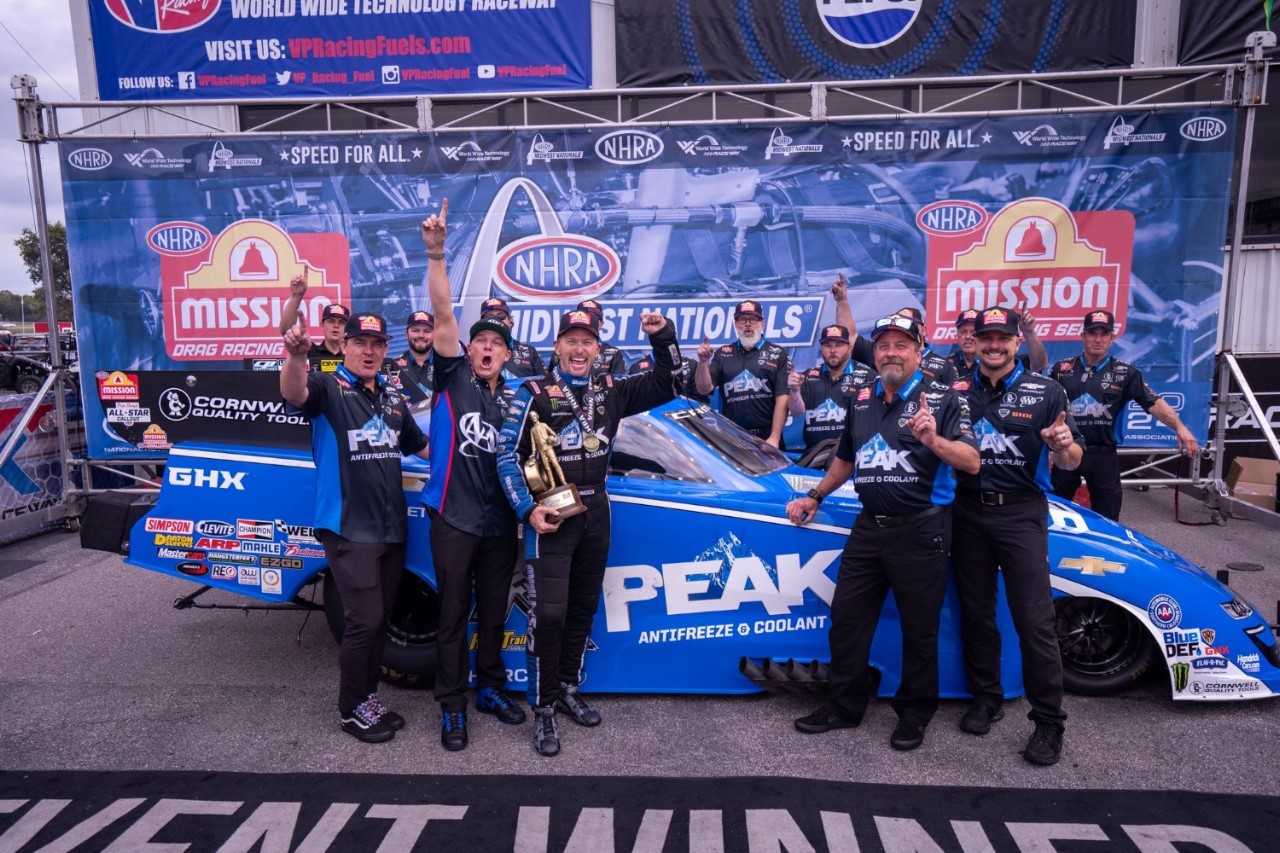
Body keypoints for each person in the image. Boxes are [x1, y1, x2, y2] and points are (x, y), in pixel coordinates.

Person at [787, 314, 979, 751]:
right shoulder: (861, 398)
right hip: (868, 528)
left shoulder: (945, 399)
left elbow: (970, 461)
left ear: (918, 350)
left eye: (901, 345)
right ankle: (843, 706)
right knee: (848, 621)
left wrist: (933, 441)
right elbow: (846, 457)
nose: (891, 352)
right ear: (874, 353)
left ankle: (913, 715)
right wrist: (815, 495)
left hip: (922, 531)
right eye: (883, 346)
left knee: (919, 629)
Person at [497, 307, 680, 757]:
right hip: (553, 514)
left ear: (599, 349)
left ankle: (565, 688)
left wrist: (663, 338)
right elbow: (504, 456)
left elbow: (666, 381)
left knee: (581, 609)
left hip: (597, 508)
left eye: (588, 341)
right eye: (571, 341)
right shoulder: (532, 391)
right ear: (557, 346)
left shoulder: (611, 388)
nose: (579, 349)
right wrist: (526, 509)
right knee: (550, 615)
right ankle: (542, 710)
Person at [280, 303, 429, 744]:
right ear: (343, 345)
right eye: (360, 342)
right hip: (348, 527)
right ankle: (351, 710)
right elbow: (293, 392)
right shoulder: (327, 386)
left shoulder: (391, 396)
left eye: (377, 344)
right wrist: (295, 357)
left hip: (390, 527)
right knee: (363, 621)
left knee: (379, 619)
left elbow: (422, 450)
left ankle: (368, 698)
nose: (369, 351)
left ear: (386, 350)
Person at [950, 306, 1083, 767]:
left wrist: (1062, 445)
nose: (993, 344)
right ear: (973, 340)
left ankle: (1048, 721)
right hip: (965, 513)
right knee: (977, 614)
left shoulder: (1046, 391)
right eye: (984, 336)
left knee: (1034, 621)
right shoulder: (953, 390)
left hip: (1021, 514)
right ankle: (986, 698)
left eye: (1002, 337)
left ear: (1016, 342)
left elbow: (1071, 460)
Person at [419, 202, 526, 751]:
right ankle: (452, 706)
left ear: (507, 355)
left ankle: (490, 688)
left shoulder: (514, 397)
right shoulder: (452, 372)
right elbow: (442, 314)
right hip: (454, 518)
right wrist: (438, 254)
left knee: (493, 612)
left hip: (497, 523)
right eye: (480, 340)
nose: (486, 347)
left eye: (496, 343)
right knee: (454, 613)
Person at [1048, 310, 1200, 521]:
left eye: (1104, 334)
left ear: (1113, 337)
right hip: (1066, 451)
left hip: (1103, 454)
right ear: (1083, 336)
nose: (1098, 339)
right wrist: (1047, 449)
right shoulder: (1061, 369)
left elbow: (1153, 402)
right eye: (1092, 333)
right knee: (1054, 512)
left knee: (1108, 516)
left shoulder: (1125, 372)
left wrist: (1180, 428)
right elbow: (1046, 408)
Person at [694, 300, 791, 447]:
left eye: (753, 319)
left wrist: (774, 438)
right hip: (733, 438)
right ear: (735, 324)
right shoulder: (722, 354)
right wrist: (703, 362)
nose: (748, 324)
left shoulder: (778, 354)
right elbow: (704, 388)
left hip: (768, 437)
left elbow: (783, 397)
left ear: (762, 324)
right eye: (742, 319)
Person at [786, 324, 877, 454]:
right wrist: (794, 391)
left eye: (839, 345)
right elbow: (797, 412)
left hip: (852, 455)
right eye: (828, 345)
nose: (833, 350)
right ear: (821, 348)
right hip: (814, 454)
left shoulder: (868, 377)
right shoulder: (808, 376)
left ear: (849, 347)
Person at [948, 305, 1049, 375]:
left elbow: (1040, 365)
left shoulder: (1007, 359)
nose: (968, 336)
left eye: (973, 331)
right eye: (963, 331)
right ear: (957, 335)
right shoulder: (945, 364)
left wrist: (1029, 332)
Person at [549, 299, 628, 377]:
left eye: (594, 318)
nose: (579, 350)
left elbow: (619, 384)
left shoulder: (613, 352)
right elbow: (551, 380)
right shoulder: (561, 352)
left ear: (601, 323)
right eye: (571, 342)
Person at [479, 296, 545, 379]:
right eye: (490, 317)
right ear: (481, 323)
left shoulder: (529, 352)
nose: (496, 320)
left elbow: (546, 385)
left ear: (510, 321)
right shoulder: (474, 352)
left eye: (501, 316)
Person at [629, 350, 708, 404]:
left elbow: (701, 404)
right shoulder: (636, 369)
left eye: (667, 337)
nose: (662, 340)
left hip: (684, 422)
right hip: (650, 424)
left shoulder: (691, 365)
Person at [392, 310, 435, 407]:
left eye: (427, 331)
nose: (421, 335)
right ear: (406, 334)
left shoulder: (446, 365)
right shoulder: (392, 366)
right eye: (415, 330)